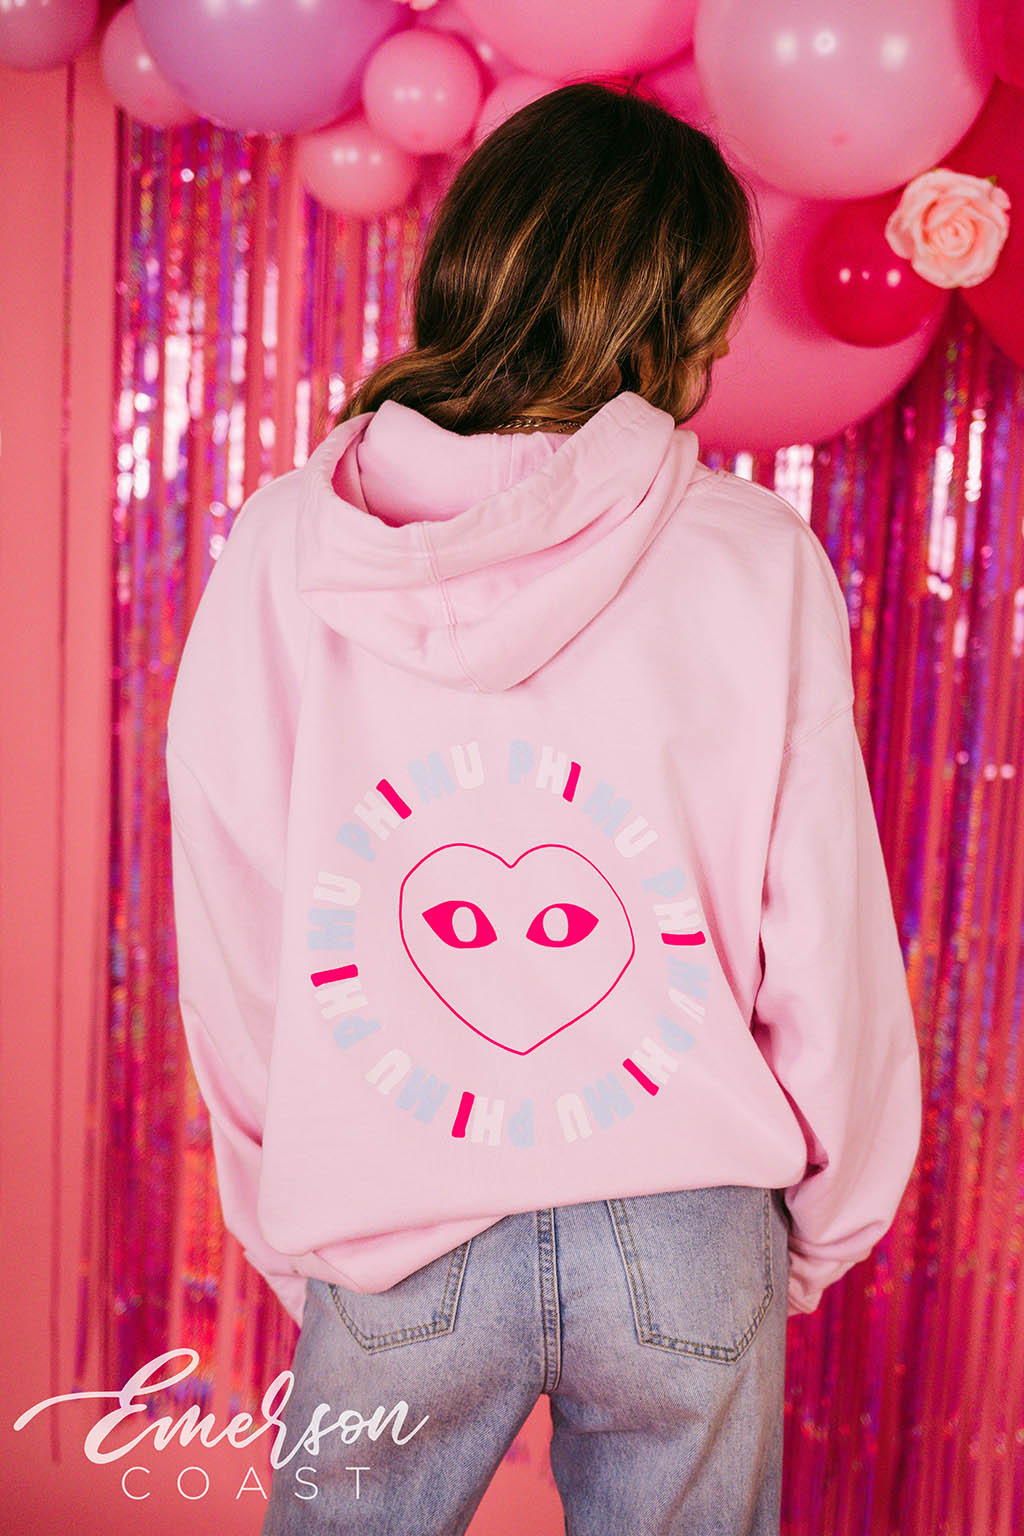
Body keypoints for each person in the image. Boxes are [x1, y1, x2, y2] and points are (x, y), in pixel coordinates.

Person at [166, 81, 922, 1536]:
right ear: (685, 304)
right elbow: (822, 928)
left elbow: (241, 914)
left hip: (390, 1211)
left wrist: (292, 1207)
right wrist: (820, 1224)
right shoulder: (756, 559)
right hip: (693, 1209)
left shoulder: (285, 551)